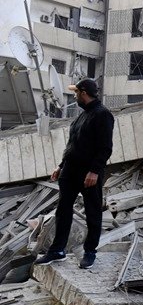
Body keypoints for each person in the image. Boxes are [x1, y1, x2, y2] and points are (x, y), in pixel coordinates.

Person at [34, 78, 115, 269]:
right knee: (63, 210)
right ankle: (57, 250)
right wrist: (61, 165)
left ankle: (90, 252)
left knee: (93, 212)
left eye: (76, 93)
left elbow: (105, 148)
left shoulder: (102, 115)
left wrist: (94, 171)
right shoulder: (82, 116)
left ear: (84, 93)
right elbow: (73, 144)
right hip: (70, 171)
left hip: (88, 173)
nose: (75, 96)